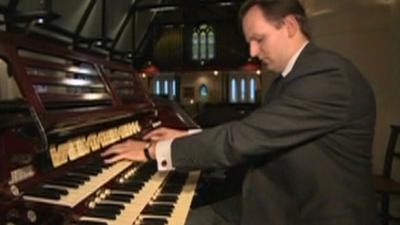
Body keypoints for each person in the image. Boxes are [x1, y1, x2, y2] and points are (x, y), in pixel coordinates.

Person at [102, 0, 379, 224]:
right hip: (267, 203)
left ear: (290, 26)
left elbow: (243, 139)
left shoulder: (327, 76)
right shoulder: (290, 78)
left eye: (259, 39)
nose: (252, 50)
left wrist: (154, 151)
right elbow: (259, 134)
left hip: (303, 213)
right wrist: (185, 135)